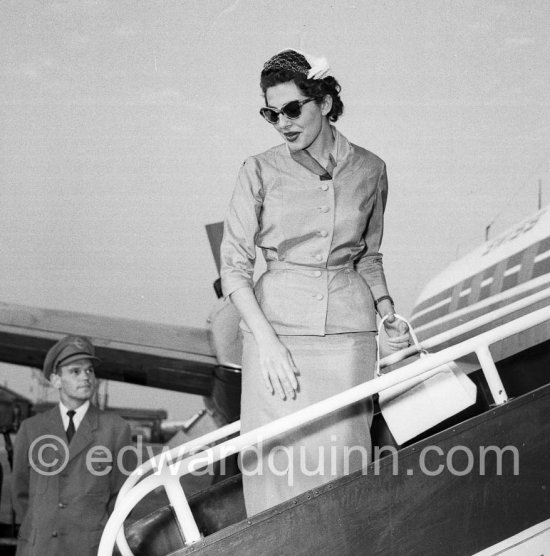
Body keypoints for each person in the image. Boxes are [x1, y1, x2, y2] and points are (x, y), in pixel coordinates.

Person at [220, 49, 410, 516]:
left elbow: (368, 256)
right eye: (271, 113)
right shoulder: (258, 170)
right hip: (276, 338)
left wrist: (387, 312)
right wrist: (267, 344)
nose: (282, 122)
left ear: (323, 102)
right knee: (273, 478)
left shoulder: (371, 169)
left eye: (292, 109)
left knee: (344, 473)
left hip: (348, 339)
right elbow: (234, 267)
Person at [12, 335, 134, 556]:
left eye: (89, 371)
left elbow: (123, 497)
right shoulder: (31, 429)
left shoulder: (116, 429)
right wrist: (38, 528)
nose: (86, 377)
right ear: (56, 380)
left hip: (90, 549)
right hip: (38, 549)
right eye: (75, 371)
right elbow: (20, 493)